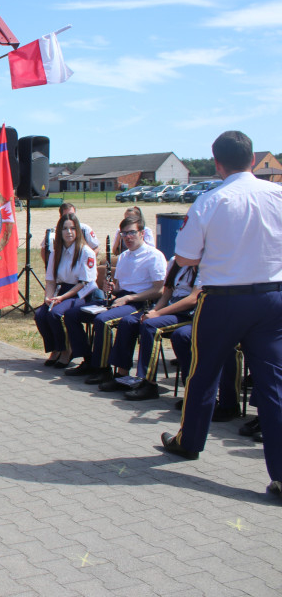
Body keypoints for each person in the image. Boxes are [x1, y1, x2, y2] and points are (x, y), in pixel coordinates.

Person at [159, 131, 282, 502]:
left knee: (203, 373)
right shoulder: (278, 195)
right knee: (273, 385)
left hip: (224, 299)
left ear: (217, 162)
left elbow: (186, 258)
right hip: (273, 298)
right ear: (252, 158)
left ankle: (190, 441)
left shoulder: (210, 201)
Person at [63, 215, 166, 381]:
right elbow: (119, 287)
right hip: (120, 299)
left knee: (102, 321)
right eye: (124, 234)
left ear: (141, 233)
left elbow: (159, 290)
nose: (128, 237)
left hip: (139, 302)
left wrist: (129, 299)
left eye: (132, 232)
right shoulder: (124, 256)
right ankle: (88, 359)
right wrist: (112, 288)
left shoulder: (154, 256)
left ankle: (102, 369)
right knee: (72, 314)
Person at [104, 259, 200, 400]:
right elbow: (167, 294)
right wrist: (153, 311)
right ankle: (122, 375)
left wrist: (158, 314)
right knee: (128, 321)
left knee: (150, 326)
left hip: (186, 313)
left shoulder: (202, 264)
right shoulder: (175, 262)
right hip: (168, 308)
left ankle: (149, 383)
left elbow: (193, 299)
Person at [34, 213, 98, 368]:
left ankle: (66, 351)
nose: (69, 232)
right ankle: (55, 348)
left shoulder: (86, 252)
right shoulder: (56, 253)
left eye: (72, 228)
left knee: (55, 314)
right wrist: (48, 297)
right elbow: (51, 280)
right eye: (64, 228)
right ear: (59, 232)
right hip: (62, 290)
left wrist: (62, 298)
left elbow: (83, 283)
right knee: (40, 315)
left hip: (81, 293)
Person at [40, 202, 99, 267]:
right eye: (66, 215)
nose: (69, 218)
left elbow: (95, 248)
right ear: (60, 216)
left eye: (72, 215)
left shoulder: (85, 229)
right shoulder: (53, 232)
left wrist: (86, 261)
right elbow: (44, 251)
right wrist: (50, 266)